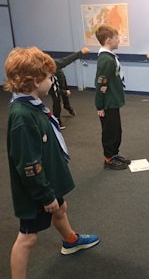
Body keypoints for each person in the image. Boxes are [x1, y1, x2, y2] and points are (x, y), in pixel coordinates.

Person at [3, 47, 99, 279]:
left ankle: (71, 241)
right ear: (35, 81)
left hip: (48, 179)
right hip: (36, 188)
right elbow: (28, 164)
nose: (52, 80)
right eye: (49, 77)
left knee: (61, 208)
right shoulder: (22, 116)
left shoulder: (33, 105)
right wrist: (45, 194)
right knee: (27, 238)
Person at [95, 24, 130, 170]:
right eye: (116, 38)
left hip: (113, 100)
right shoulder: (106, 60)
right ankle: (108, 159)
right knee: (110, 132)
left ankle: (114, 154)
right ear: (109, 40)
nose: (119, 40)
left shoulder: (110, 57)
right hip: (108, 103)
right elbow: (100, 85)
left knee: (116, 130)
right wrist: (100, 106)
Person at [49, 47, 90, 129]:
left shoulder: (55, 66)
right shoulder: (42, 72)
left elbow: (65, 61)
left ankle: (67, 106)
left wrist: (65, 91)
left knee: (65, 91)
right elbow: (54, 90)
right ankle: (56, 119)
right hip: (52, 83)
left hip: (60, 76)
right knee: (56, 99)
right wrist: (81, 52)